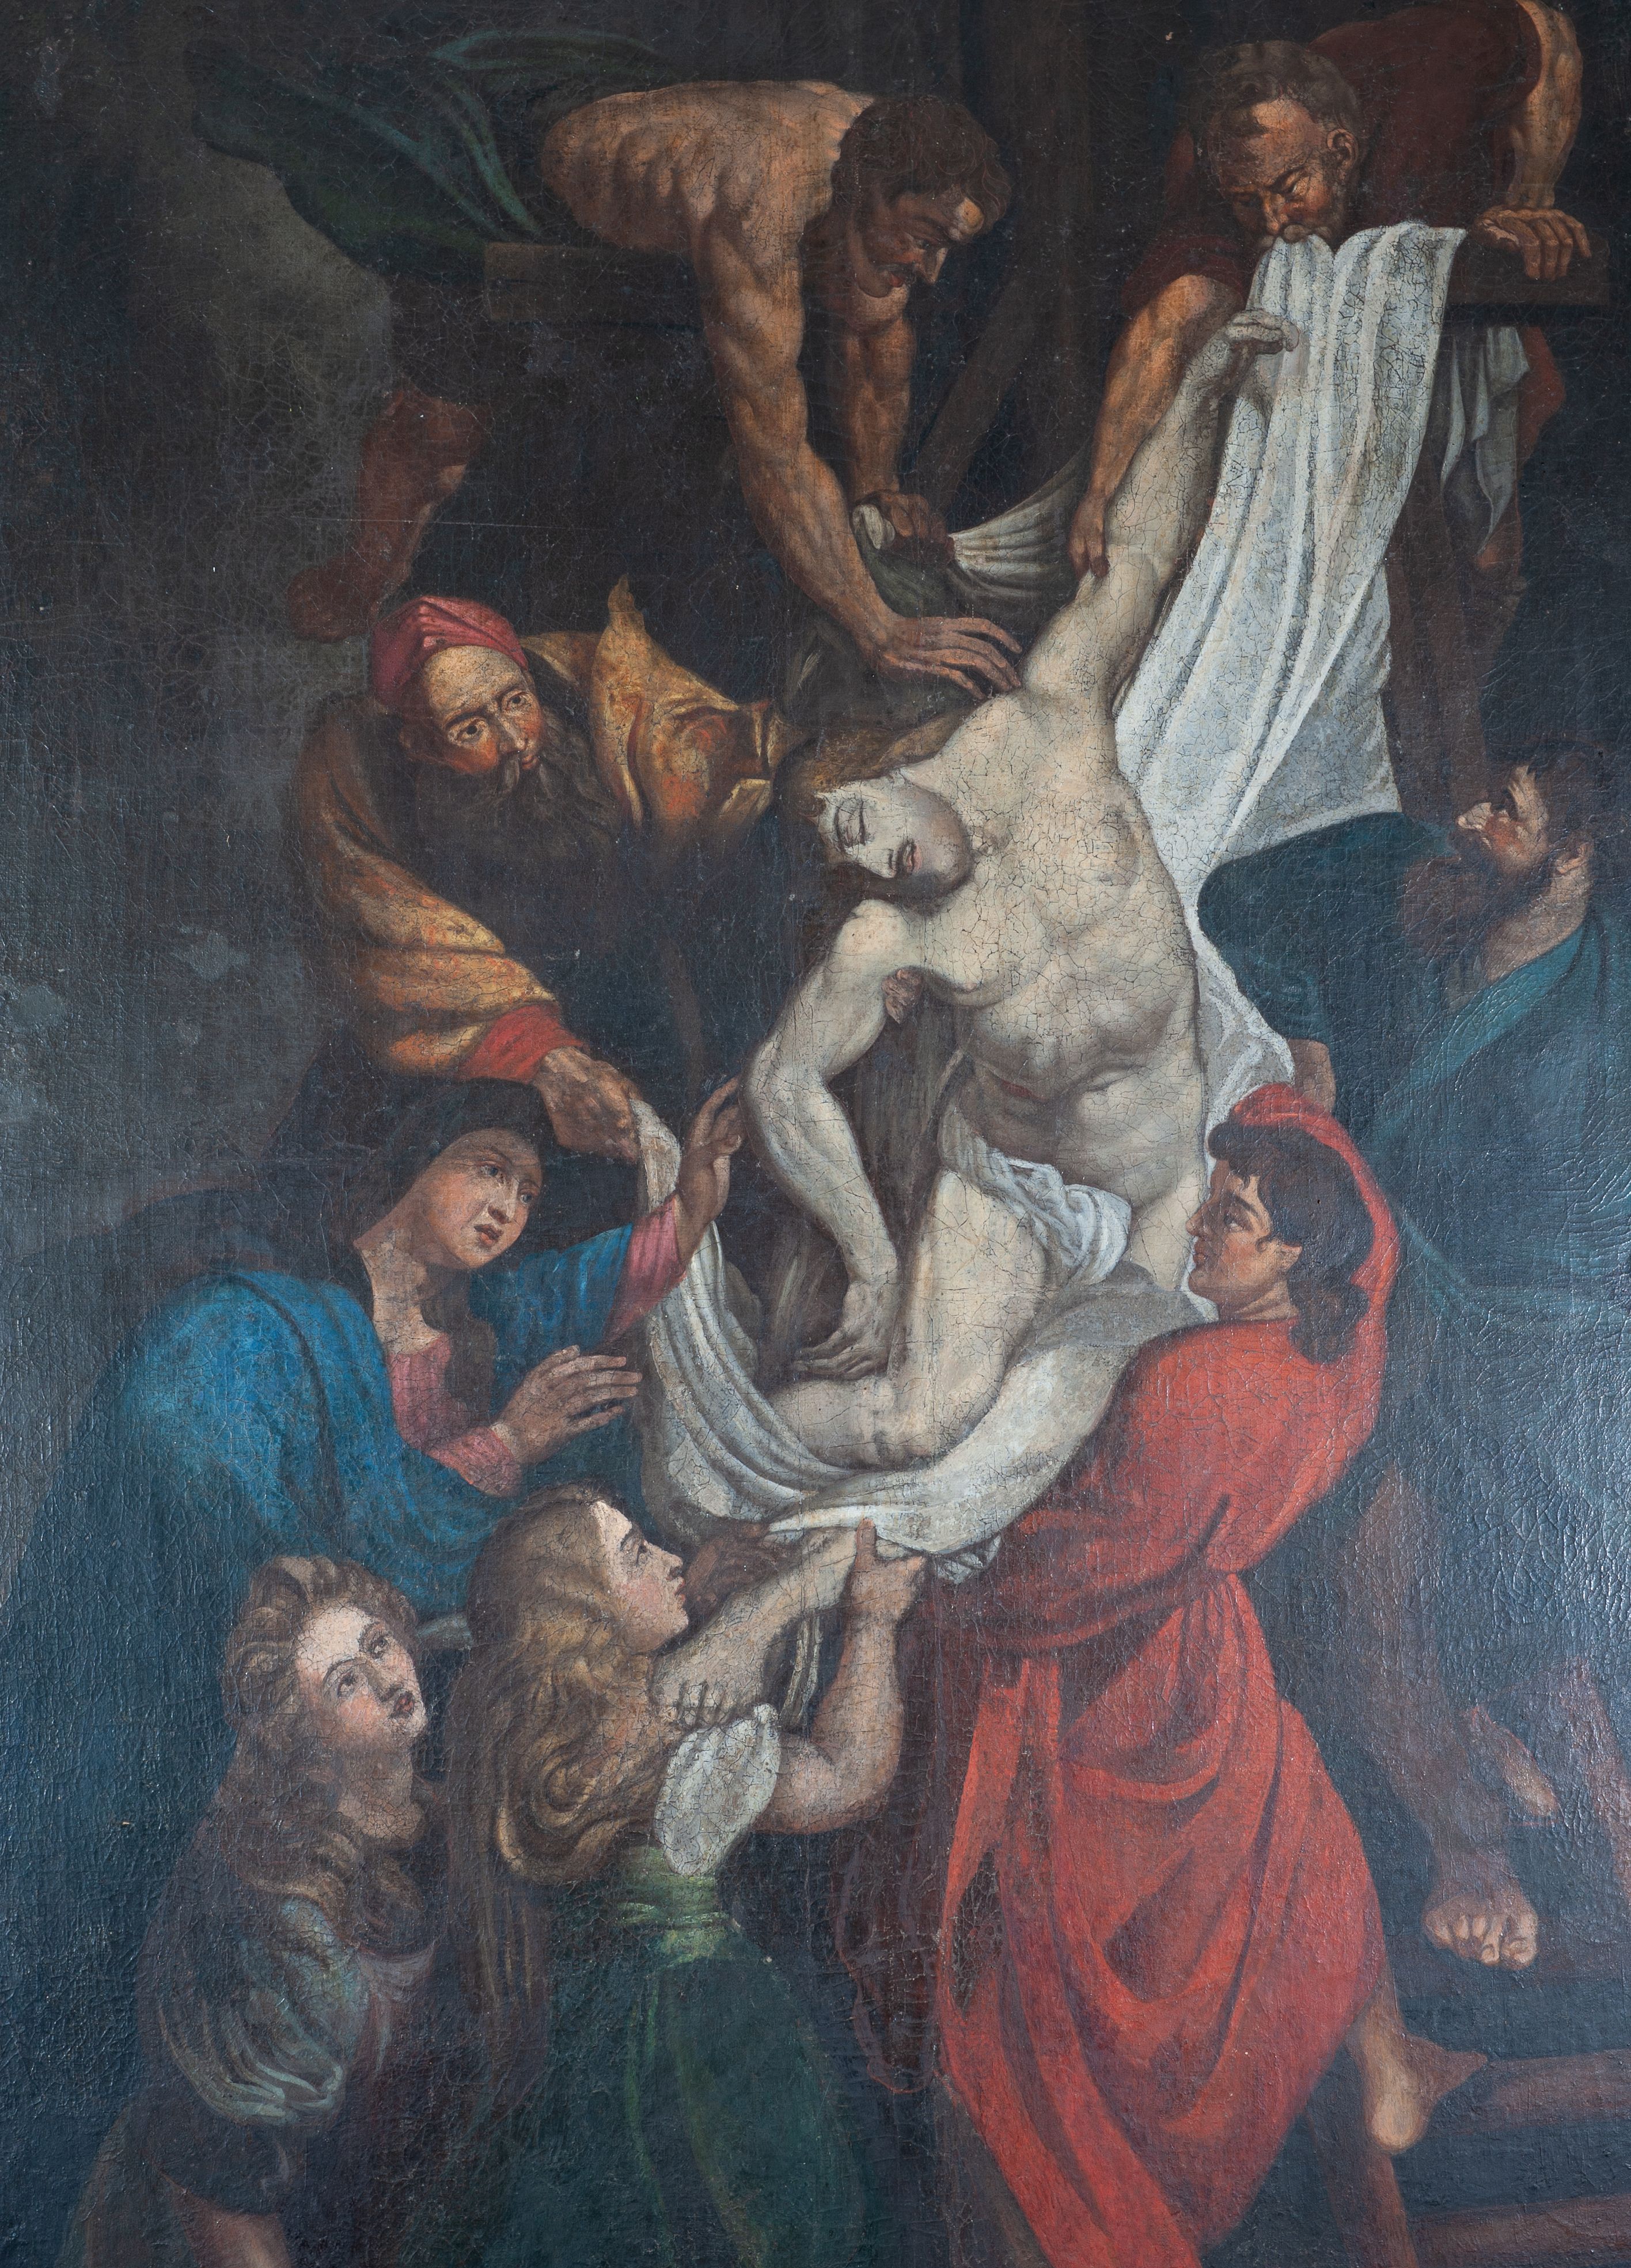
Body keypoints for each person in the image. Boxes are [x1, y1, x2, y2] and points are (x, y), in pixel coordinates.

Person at [0, 1073, 742, 2268]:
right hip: (252, 1739)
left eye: (527, 1189)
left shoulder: (485, 1328)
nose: (507, 1204)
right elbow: (307, 1561)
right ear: (416, 1163)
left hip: (387, 1745)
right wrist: (508, 1445)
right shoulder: (269, 1329)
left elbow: (589, 1285)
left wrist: (696, 1201)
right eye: (487, 1167)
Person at [836, 1089, 1482, 2268]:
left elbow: (1079, 1568)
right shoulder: (1332, 1372)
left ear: (1296, 1253)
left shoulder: (1196, 1381)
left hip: (1098, 1701)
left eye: (1233, 1216)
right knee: (1294, 1809)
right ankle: (1385, 2066)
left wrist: (939, 1597)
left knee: (1013, 2062)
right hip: (1209, 1678)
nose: (1201, 1226)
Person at [311, 1491, 1000, 2268]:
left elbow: (844, 1778)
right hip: (645, 2054)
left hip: (695, 2029)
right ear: (578, 1608)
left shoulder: (642, 1715)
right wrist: (799, 1593)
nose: (671, 1561)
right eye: (636, 1554)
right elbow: (691, 1738)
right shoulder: (554, 1738)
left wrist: (872, 1622)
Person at [742, 308, 1293, 1471]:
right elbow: (782, 1082)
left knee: (1081, 1429)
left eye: (860, 827)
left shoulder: (1050, 722)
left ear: (895, 772)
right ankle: (720, 1480)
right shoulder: (889, 934)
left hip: (1162, 1182)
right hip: (1007, 1175)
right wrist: (871, 1258)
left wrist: (1203, 388)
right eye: (847, 866)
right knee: (916, 1423)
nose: (871, 866)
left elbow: (1139, 553)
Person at [185, 17, 1020, 699]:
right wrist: (880, 630)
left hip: (651, 124)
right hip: (522, 170)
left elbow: (875, 334)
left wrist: (877, 489)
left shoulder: (890, 151)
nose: (932, 270)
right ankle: (366, 569)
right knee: (441, 423)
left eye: (948, 246)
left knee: (874, 296)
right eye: (925, 238)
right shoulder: (759, 201)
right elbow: (775, 453)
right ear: (868, 188)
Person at [1209, 747, 1631, 1973]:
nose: (1472, 815)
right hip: (1374, 1294)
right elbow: (1236, 897)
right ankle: (1477, 1799)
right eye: (1489, 792)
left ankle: (1532, 1799)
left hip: (1517, 1343)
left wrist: (1446, 1319)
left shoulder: (1599, 1037)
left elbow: (1594, 1269)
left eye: (1509, 814)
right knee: (1345, 1562)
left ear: (1573, 859)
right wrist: (1310, 1042)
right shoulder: (1414, 874)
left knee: (1497, 1559)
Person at [37, 1557, 449, 2268]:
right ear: (304, 1737)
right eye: (345, 1682)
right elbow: (216, 2144)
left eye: (380, 1646)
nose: (386, 1678)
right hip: (221, 2254)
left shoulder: (437, 1811)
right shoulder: (281, 1904)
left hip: (351, 2212)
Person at [1069, 2, 1587, 596]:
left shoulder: (1426, 98)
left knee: (1489, 537)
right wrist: (1102, 491)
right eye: (1248, 202)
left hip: (1447, 246)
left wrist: (1531, 194)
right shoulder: (1208, 176)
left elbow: (1544, 26)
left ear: (1341, 152)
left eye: (1290, 189)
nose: (1273, 221)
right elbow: (1171, 319)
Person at [283, 590, 794, 1182]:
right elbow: (398, 948)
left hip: (636, 992)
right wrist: (540, 1054)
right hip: (469, 1046)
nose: (515, 741)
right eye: (471, 728)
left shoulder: (592, 681)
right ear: (419, 746)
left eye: (516, 702)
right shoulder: (355, 773)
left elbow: (721, 749)